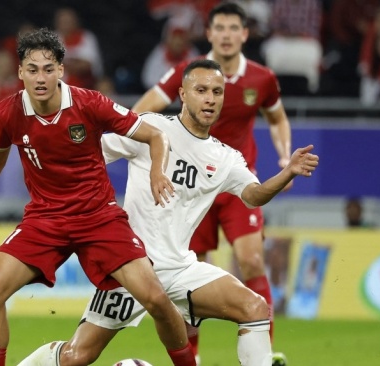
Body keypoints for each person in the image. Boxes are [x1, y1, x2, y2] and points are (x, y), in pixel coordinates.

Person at [0, 28, 196, 366]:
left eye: (48, 68)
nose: (41, 77)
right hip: (45, 219)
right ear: (20, 71)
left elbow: (156, 135)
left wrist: (158, 171)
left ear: (61, 71)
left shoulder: (89, 103)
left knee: (155, 298)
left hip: (99, 218)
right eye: (33, 69)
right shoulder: (8, 113)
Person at [19, 60, 318, 366]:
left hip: (180, 269)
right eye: (201, 90)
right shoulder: (151, 129)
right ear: (183, 94)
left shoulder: (225, 157)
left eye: (217, 91)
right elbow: (91, 155)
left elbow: (254, 196)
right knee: (75, 357)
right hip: (130, 267)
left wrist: (287, 173)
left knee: (254, 308)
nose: (210, 98)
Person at [131, 3, 292, 363]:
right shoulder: (188, 74)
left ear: (244, 34)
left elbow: (278, 119)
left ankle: (265, 349)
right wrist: (143, 146)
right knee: (192, 269)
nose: (226, 34)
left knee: (251, 262)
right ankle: (195, 356)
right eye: (219, 28)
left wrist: (284, 157)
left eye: (234, 28)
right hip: (190, 188)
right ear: (209, 33)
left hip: (235, 182)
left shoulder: (262, 78)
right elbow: (142, 111)